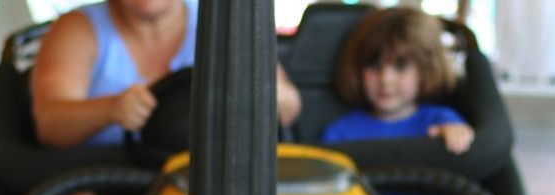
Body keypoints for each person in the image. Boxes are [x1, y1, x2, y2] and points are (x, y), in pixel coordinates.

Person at [31, 0, 302, 149]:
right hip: (98, 184)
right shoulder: (78, 29)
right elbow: (50, 124)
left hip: (198, 184)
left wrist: (250, 88)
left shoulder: (222, 22)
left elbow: (289, 106)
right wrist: (111, 109)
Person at [320, 7, 475, 155]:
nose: (386, 80)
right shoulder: (340, 134)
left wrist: (456, 136)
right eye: (375, 66)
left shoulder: (442, 122)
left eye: (400, 66)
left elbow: (463, 148)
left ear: (425, 69)